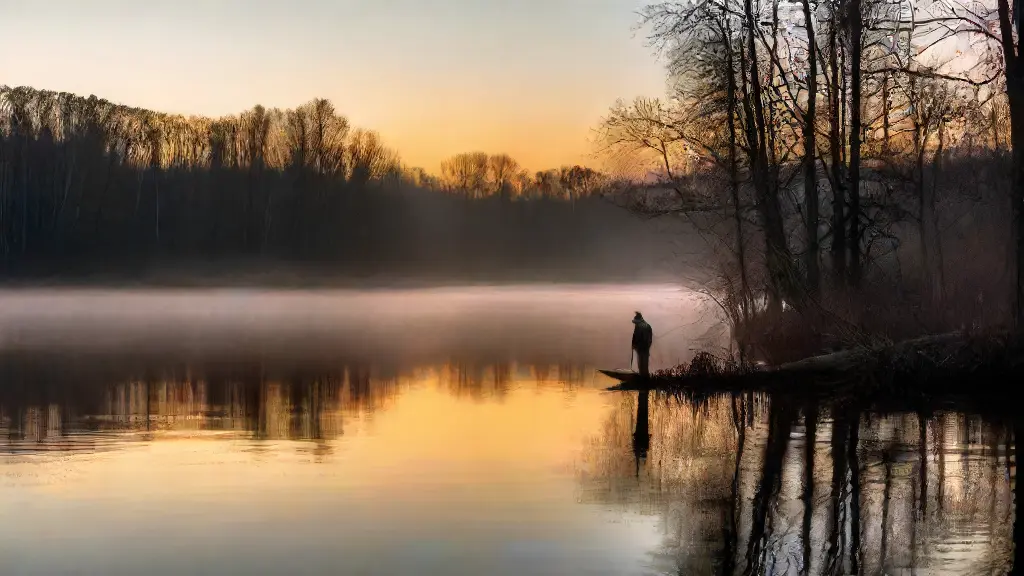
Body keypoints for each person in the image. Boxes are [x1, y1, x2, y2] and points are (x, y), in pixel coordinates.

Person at [632, 311, 653, 378]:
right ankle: (645, 378)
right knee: (645, 364)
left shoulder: (638, 326)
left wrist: (634, 345)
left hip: (640, 348)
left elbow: (636, 337)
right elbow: (650, 339)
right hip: (646, 348)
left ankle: (642, 379)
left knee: (641, 364)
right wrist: (648, 346)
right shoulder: (648, 326)